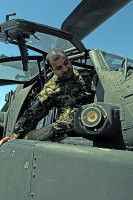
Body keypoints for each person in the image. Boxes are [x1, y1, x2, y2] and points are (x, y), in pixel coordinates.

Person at [0, 49, 93, 145]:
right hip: (71, 126)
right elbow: (31, 114)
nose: (65, 69)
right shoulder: (51, 88)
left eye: (66, 63)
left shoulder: (87, 75)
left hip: (94, 118)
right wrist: (14, 137)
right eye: (59, 68)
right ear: (52, 70)